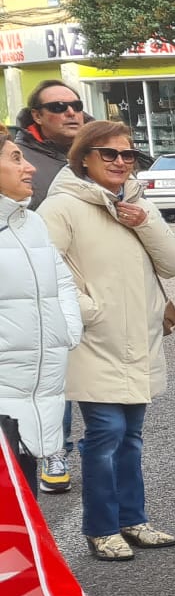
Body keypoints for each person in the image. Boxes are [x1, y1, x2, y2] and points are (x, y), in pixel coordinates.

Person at [41, 120, 175, 561]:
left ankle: (133, 519)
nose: (121, 162)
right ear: (83, 157)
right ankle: (101, 527)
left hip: (138, 339)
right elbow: (47, 272)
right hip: (94, 341)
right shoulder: (62, 206)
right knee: (105, 434)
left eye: (129, 155)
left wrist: (145, 223)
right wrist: (91, 312)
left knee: (132, 436)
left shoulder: (136, 202)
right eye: (109, 154)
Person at [13, 80, 87, 493]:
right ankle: (51, 453)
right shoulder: (23, 159)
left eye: (75, 104)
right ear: (37, 116)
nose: (71, 112)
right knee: (49, 376)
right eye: (59, 106)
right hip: (38, 285)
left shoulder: (91, 150)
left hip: (91, 281)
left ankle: (91, 450)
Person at [0, 132, 81, 500]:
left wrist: (67, 328)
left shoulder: (29, 222)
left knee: (23, 516)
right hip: (5, 400)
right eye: (16, 158)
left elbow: (61, 280)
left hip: (34, 400)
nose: (29, 166)